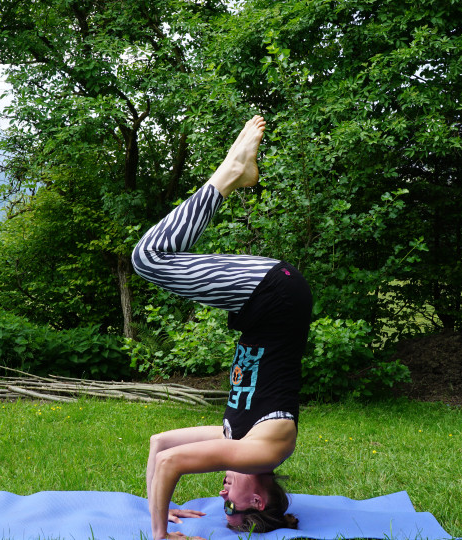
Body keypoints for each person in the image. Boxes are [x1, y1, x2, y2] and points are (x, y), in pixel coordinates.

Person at [132, 115, 312, 539]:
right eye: (231, 504)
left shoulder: (239, 436)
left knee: (153, 258)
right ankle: (231, 171)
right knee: (149, 258)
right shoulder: (267, 448)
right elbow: (175, 464)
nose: (221, 493)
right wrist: (159, 537)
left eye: (221, 505)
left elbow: (161, 448)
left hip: (266, 303)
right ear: (258, 501)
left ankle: (233, 171)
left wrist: (163, 506)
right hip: (276, 298)